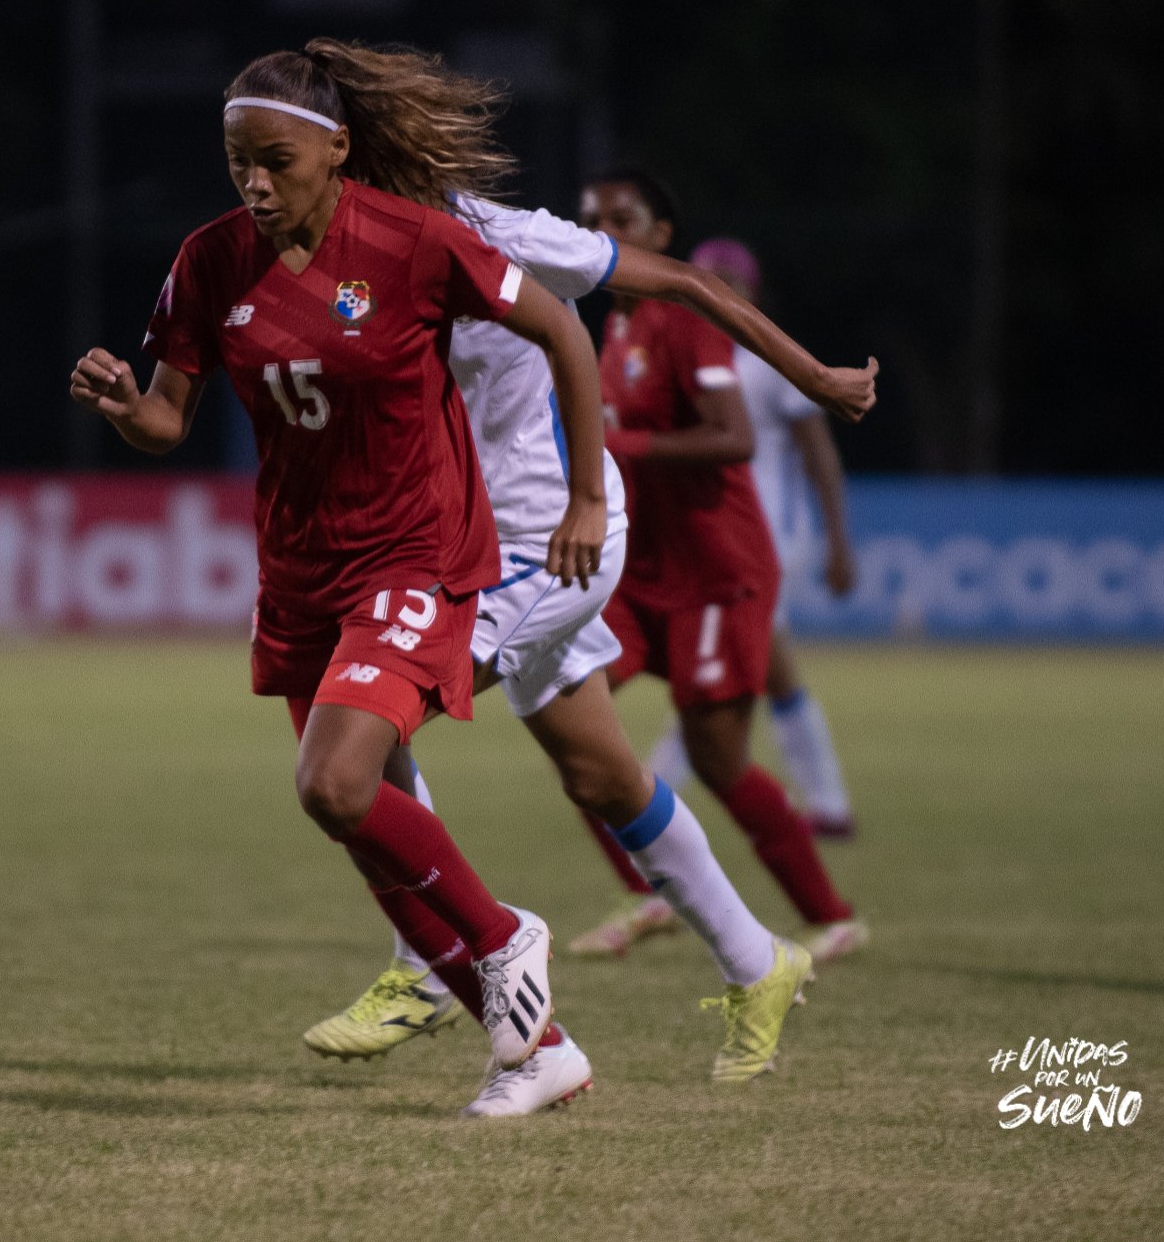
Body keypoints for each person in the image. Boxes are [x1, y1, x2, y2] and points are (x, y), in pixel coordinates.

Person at [71, 41, 615, 1114]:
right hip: (300, 571)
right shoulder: (210, 260)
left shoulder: (414, 243)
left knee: (332, 782)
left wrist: (586, 498)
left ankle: (508, 933)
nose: (255, 184)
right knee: (357, 821)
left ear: (337, 150)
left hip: (413, 552)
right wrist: (125, 406)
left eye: (274, 161)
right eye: (238, 165)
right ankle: (538, 1051)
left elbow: (559, 328)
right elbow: (169, 418)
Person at [300, 146, 876, 1100]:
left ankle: (424, 956)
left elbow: (689, 282)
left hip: (550, 542)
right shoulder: (353, 257)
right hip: (471, 546)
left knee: (368, 713)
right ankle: (757, 958)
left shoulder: (509, 237)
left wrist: (813, 375)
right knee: (602, 773)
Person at [567, 170, 869, 965]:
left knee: (717, 761)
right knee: (566, 718)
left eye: (622, 217)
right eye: (589, 217)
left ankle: (829, 914)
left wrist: (620, 448)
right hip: (643, 573)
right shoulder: (616, 326)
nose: (602, 227)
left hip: (717, 571)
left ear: (663, 236)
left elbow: (733, 436)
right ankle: (646, 896)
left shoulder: (684, 315)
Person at [645, 239, 861, 836]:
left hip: (764, 541)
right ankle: (827, 805)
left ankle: (650, 793)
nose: (716, 290)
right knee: (743, 671)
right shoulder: (678, 353)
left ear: (751, 293)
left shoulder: (768, 358)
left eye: (729, 282)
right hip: (708, 541)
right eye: (706, 279)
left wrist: (839, 540)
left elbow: (819, 454)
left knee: (735, 671)